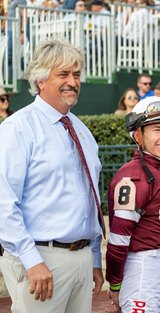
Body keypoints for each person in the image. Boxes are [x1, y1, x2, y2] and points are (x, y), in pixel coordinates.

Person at [0, 39, 104, 312]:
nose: (73, 81)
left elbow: (89, 198)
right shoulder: (17, 129)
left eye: (77, 74)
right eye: (63, 74)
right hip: (40, 258)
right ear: (41, 79)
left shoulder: (81, 129)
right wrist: (31, 259)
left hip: (81, 259)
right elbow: (3, 202)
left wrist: (93, 257)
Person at [106, 96, 160, 313]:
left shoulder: (156, 170)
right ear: (138, 134)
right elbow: (119, 240)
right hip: (141, 269)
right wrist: (115, 283)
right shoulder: (134, 176)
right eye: (157, 129)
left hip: (157, 268)